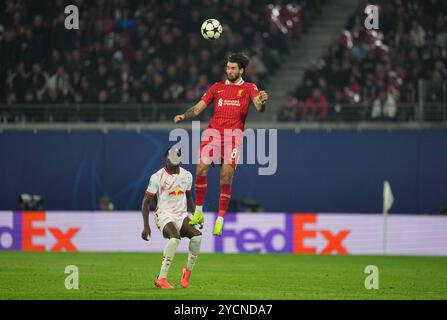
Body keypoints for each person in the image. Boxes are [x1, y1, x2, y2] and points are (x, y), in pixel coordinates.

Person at [173, 52, 269, 236]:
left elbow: (259, 107)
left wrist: (263, 102)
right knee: (201, 168)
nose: (229, 71)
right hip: (213, 134)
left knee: (225, 176)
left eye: (233, 68)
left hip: (233, 138)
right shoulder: (217, 87)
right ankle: (198, 213)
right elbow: (199, 107)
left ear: (241, 70)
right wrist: (184, 116)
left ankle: (220, 219)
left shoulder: (250, 88)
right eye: (228, 67)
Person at [141, 147, 202, 289]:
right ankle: (161, 278)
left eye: (177, 155)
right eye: (171, 155)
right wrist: (146, 225)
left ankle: (187, 273)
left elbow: (188, 197)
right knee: (175, 239)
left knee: (197, 237)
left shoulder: (187, 175)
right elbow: (146, 201)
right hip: (163, 215)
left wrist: (195, 214)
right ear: (166, 158)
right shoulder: (157, 177)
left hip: (181, 215)